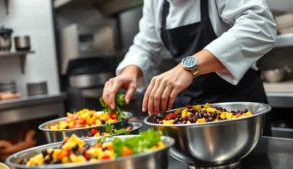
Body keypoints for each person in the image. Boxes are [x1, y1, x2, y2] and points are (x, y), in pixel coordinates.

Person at [102, 0, 276, 136]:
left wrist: (188, 67)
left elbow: (260, 26)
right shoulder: (156, 2)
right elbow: (146, 44)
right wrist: (130, 71)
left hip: (237, 105)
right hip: (188, 110)